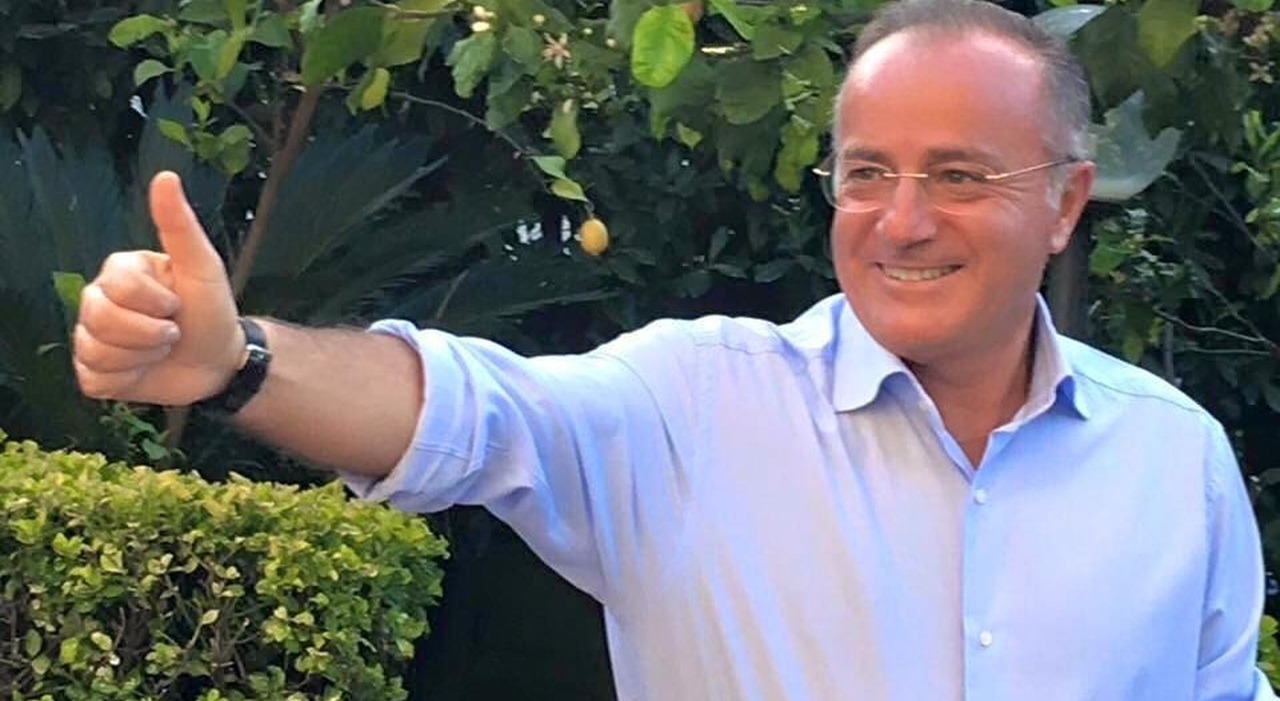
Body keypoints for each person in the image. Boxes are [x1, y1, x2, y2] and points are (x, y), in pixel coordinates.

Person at [72, 0, 1275, 698]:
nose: (900, 221)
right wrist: (241, 362)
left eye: (957, 175)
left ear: (1064, 201)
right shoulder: (690, 405)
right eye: (866, 173)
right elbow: (471, 413)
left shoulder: (1171, 460)